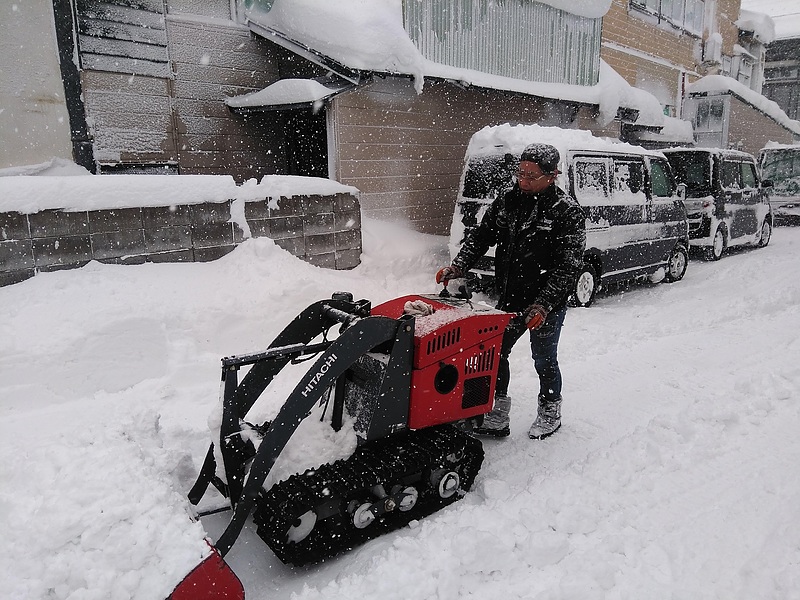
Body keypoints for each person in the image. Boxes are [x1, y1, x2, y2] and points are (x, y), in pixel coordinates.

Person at [436, 143, 586, 439]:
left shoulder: (566, 212)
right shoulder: (507, 201)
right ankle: (497, 412)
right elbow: (482, 236)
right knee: (496, 353)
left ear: (552, 175)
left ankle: (550, 408)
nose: (524, 180)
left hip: (547, 301)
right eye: (521, 173)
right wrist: (459, 266)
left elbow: (568, 266)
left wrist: (543, 304)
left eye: (532, 175)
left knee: (543, 358)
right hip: (511, 295)